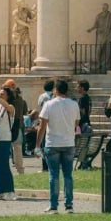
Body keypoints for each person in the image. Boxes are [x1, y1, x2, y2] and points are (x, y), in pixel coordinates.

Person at [37, 79, 81, 213]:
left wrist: (37, 144)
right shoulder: (74, 104)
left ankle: (54, 205)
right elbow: (76, 123)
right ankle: (69, 205)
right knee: (68, 175)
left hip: (53, 142)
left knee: (54, 175)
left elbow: (42, 126)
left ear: (55, 90)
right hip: (68, 142)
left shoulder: (48, 104)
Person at [7, 79, 29, 176]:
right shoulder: (21, 100)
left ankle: (17, 168)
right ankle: (20, 170)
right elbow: (24, 112)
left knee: (13, 148)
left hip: (10, 125)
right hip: (18, 125)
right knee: (17, 148)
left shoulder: (10, 100)